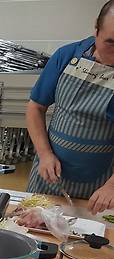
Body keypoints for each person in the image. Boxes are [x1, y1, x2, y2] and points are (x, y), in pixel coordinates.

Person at [26, 0, 114, 214]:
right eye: (111, 42)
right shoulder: (67, 56)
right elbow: (36, 107)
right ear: (96, 28)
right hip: (49, 173)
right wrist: (45, 154)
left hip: (100, 183)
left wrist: (112, 186)